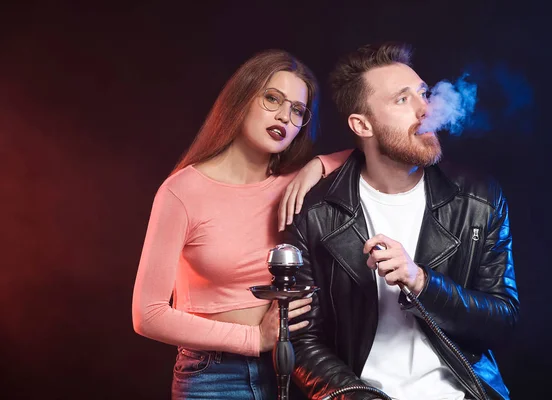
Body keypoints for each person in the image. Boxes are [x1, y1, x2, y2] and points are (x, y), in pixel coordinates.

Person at [283, 43, 519, 400]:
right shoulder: (316, 214)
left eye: (424, 93)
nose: (427, 109)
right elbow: (302, 341)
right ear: (362, 125)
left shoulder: (479, 199)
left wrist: (422, 282)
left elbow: (503, 321)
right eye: (402, 100)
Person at [131, 49, 350, 400]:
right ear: (242, 97)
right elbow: (148, 314)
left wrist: (318, 165)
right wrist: (255, 339)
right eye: (272, 98)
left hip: (298, 368)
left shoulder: (296, 184)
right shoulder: (182, 191)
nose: (284, 116)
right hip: (215, 376)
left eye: (297, 110)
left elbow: (373, 153)